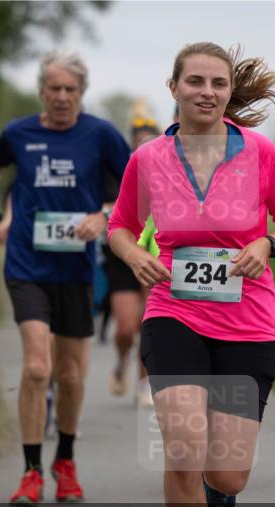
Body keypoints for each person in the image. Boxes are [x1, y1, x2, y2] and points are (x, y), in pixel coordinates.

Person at [108, 42, 275, 507]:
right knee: (183, 449)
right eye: (194, 81)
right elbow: (121, 226)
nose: (207, 91)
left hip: (249, 322)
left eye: (217, 83)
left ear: (228, 92)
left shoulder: (262, 154)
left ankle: (218, 489)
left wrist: (267, 243)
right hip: (174, 312)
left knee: (226, 471)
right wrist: (133, 257)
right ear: (173, 89)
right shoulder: (147, 160)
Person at [0, 49, 131, 507]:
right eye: (54, 89)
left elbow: (134, 188)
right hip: (26, 264)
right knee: (37, 367)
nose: (62, 97)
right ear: (41, 91)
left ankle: (65, 462)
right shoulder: (18, 133)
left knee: (70, 373)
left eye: (71, 90)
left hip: (77, 269)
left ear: (81, 93)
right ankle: (29, 472)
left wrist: (103, 216)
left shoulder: (101, 134)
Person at [104, 104, 161, 407]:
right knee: (126, 326)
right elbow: (103, 203)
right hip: (123, 254)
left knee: (147, 322)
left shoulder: (168, 168)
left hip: (155, 252)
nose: (145, 143)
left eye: (150, 137)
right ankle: (121, 359)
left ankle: (143, 382)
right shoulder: (119, 168)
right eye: (140, 137)